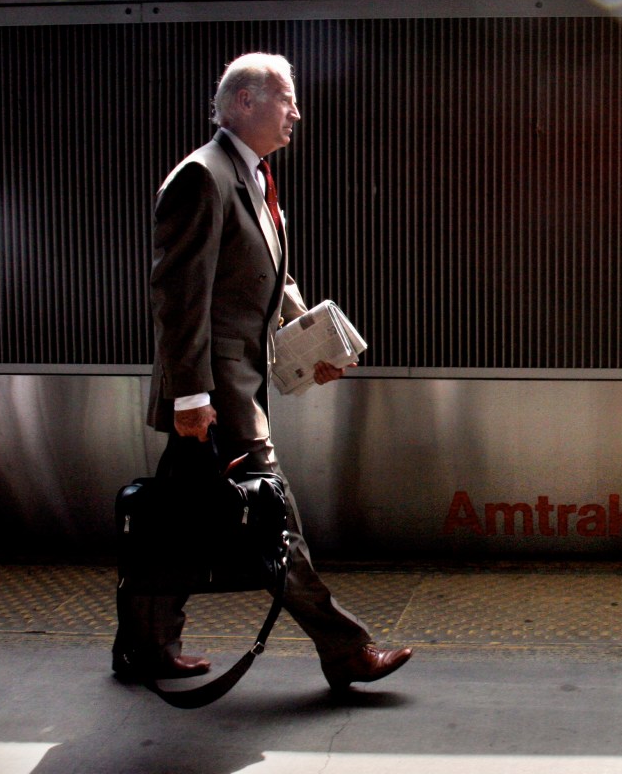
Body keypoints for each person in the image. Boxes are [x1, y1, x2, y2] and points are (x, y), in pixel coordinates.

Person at [112, 52, 412, 690]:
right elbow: (178, 297)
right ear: (243, 102)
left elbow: (267, 279)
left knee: (175, 524)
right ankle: (345, 649)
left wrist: (310, 341)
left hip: (234, 388)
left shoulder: (251, 177)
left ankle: (141, 644)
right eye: (286, 99)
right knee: (274, 519)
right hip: (217, 396)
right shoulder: (203, 177)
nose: (296, 112)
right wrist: (190, 395)